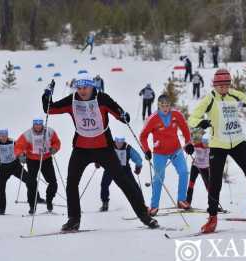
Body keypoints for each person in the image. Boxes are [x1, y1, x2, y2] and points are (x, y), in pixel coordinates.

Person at [41, 72, 159, 231]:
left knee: (123, 181)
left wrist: (124, 115)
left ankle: (145, 216)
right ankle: (73, 219)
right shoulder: (72, 100)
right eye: (79, 88)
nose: (82, 91)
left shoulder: (102, 99)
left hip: (104, 148)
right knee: (72, 183)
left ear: (92, 87)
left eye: (85, 87)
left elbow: (120, 114)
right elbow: (50, 109)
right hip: (81, 149)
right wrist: (46, 95)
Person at [188, 68, 246, 233]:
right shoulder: (209, 99)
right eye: (220, 85)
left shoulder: (235, 94)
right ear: (214, 85)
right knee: (215, 183)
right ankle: (212, 218)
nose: (223, 88)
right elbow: (192, 118)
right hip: (218, 144)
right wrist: (200, 123)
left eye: (226, 85)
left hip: (237, 142)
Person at [140, 94, 194, 216]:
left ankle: (181, 200)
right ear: (158, 105)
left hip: (176, 150)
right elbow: (143, 136)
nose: (165, 108)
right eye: (162, 106)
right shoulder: (153, 118)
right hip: (160, 153)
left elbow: (185, 129)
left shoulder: (176, 115)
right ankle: (154, 206)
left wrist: (188, 142)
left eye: (167, 105)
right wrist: (146, 150)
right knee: (159, 178)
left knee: (184, 172)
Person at [0, 129, 44, 215]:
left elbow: (21, 149)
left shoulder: (13, 142)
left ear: (7, 136)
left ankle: (35, 200)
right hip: (3, 168)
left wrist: (23, 156)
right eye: (1, 136)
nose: (3, 138)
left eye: (5, 136)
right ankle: (1, 209)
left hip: (16, 166)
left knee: (30, 181)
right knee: (0, 187)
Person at [15, 119, 60, 214]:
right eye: (36, 125)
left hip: (46, 159)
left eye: (39, 125)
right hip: (32, 160)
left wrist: (54, 148)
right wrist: (20, 155)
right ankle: (32, 206)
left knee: (53, 182)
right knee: (31, 183)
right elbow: (18, 146)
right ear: (33, 125)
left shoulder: (50, 131)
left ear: (42, 125)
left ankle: (49, 201)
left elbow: (57, 142)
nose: (38, 126)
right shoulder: (27, 134)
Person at [97, 136, 143, 212]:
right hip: (111, 168)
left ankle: (142, 204)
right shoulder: (109, 146)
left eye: (121, 141)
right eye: (117, 141)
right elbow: (101, 154)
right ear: (115, 140)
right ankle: (105, 203)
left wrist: (138, 166)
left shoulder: (128, 148)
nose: (119, 143)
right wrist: (98, 162)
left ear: (124, 141)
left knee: (133, 185)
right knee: (104, 184)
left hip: (124, 169)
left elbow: (138, 158)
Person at [186, 133, 210, 206]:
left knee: (208, 186)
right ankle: (188, 202)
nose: (205, 145)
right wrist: (188, 149)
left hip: (205, 168)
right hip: (195, 166)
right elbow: (187, 146)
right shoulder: (197, 144)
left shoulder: (210, 148)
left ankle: (213, 204)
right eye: (204, 142)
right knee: (191, 184)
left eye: (207, 143)